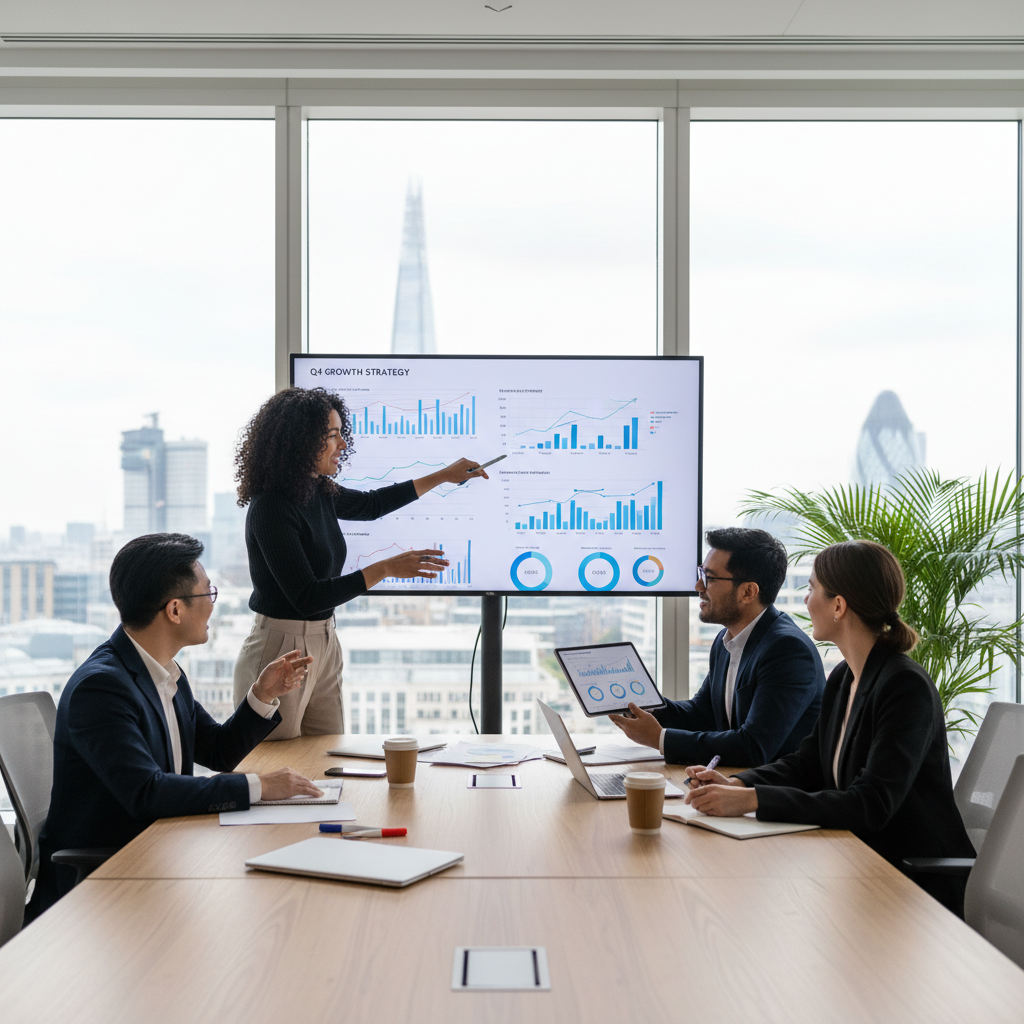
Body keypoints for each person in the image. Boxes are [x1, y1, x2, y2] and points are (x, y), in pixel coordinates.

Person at [28, 534, 322, 921]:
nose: (213, 606)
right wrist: (260, 786)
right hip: (104, 887)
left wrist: (262, 695)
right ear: (175, 610)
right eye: (208, 594)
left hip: (160, 854)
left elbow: (216, 751)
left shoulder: (164, 672)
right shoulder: (101, 689)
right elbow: (147, 792)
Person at [684, 539, 975, 914]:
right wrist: (740, 783)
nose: (805, 601)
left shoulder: (905, 687)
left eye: (811, 590)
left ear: (838, 606)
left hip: (908, 882)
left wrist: (753, 800)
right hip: (852, 858)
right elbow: (807, 763)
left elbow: (870, 805)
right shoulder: (844, 676)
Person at [232, 386, 490, 739]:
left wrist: (444, 475)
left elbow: (371, 506)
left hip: (324, 639)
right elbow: (306, 596)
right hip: (281, 644)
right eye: (332, 436)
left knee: (326, 752)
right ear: (300, 441)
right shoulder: (272, 507)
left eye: (342, 435)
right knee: (278, 762)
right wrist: (385, 568)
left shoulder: (317, 490)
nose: (342, 445)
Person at [610, 527, 825, 767]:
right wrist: (644, 704)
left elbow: (753, 747)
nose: (698, 586)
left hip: (774, 796)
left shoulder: (787, 650)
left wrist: (660, 739)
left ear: (748, 592)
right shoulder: (726, 639)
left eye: (709, 578)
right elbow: (702, 715)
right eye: (701, 573)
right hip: (731, 785)